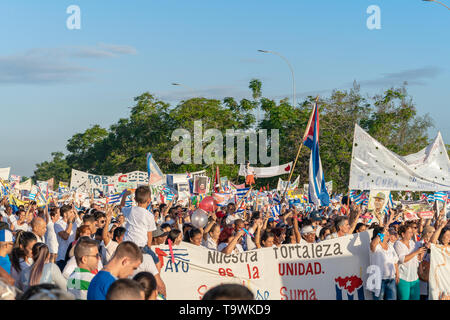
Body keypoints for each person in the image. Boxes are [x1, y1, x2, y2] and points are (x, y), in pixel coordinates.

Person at [394, 224, 426, 300]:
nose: (411, 234)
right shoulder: (398, 244)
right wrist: (416, 252)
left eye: (412, 232)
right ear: (403, 234)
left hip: (415, 278)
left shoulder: (412, 243)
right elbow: (402, 259)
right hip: (403, 278)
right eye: (409, 232)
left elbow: (416, 259)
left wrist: (420, 255)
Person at [121, 187, 156, 254]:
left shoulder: (131, 210)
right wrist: (149, 248)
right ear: (149, 200)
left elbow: (121, 207)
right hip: (141, 246)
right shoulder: (150, 215)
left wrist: (124, 195)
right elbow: (149, 234)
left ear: (135, 199)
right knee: (157, 262)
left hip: (127, 244)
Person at [369, 226, 399, 300]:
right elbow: (373, 244)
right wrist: (381, 234)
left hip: (391, 279)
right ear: (379, 235)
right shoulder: (376, 247)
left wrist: (397, 275)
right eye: (386, 233)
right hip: (378, 280)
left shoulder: (390, 246)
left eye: (388, 233)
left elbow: (395, 261)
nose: (388, 235)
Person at [54, 205, 78, 272]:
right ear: (65, 214)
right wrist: (70, 223)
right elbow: (65, 237)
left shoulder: (74, 223)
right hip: (63, 256)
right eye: (71, 212)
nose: (73, 214)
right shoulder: (58, 224)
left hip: (73, 255)